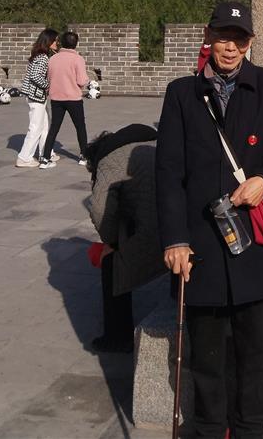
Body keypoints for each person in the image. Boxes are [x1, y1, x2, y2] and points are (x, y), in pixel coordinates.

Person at [156, 1, 263, 439]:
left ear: (250, 42)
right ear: (208, 36)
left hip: (254, 242)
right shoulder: (182, 94)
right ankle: (208, 429)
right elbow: (168, 173)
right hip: (200, 244)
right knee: (205, 355)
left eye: (238, 39)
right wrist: (174, 239)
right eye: (222, 36)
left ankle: (251, 430)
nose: (230, 47)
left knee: (255, 352)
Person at [86, 123, 165, 353]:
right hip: (184, 225)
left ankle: (117, 337)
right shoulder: (154, 142)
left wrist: (111, 242)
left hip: (157, 231)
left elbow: (99, 209)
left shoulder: (109, 161)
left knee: (111, 263)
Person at [40, 30, 90, 168]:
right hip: (73, 98)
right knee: (80, 127)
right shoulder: (78, 59)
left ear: (62, 42)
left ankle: (45, 158)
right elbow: (81, 81)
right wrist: (86, 80)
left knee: (54, 128)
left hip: (56, 98)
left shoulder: (53, 59)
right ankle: (83, 156)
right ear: (76, 44)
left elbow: (49, 78)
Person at [15, 28, 60, 167]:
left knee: (45, 126)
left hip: (37, 96)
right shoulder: (42, 57)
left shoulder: (40, 55)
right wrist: (48, 85)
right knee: (36, 127)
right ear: (48, 41)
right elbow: (35, 76)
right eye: (55, 40)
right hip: (36, 97)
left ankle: (45, 153)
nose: (57, 43)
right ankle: (24, 158)